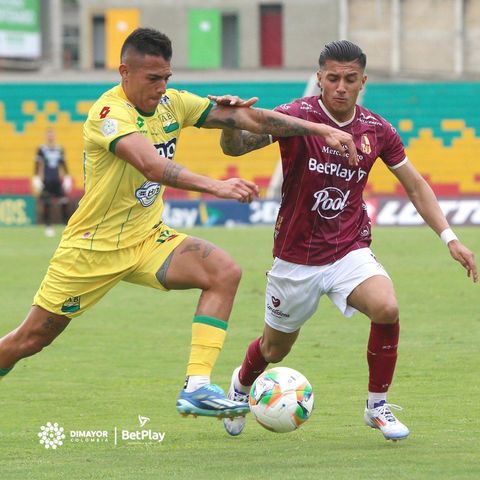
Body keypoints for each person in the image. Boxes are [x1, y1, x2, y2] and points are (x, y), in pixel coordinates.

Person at [0, 29, 358, 420]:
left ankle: (197, 387)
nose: (162, 87)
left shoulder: (173, 103)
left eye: (167, 77)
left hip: (148, 238)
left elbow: (245, 117)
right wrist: (216, 186)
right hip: (91, 249)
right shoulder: (108, 114)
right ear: (124, 71)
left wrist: (320, 129)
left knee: (223, 270)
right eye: (153, 79)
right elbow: (152, 165)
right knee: (30, 340)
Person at [217, 40, 478, 439]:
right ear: (319, 78)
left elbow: (416, 186)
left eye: (349, 79)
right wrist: (231, 122)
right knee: (274, 349)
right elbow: (237, 147)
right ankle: (240, 384)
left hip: (348, 249)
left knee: (386, 307)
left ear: (362, 82)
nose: (340, 86)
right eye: (333, 78)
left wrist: (450, 239)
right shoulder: (295, 116)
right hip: (295, 258)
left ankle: (377, 406)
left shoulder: (377, 129)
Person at [32, 128, 72, 237]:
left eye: (52, 135)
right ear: (46, 136)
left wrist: (67, 177)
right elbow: (37, 164)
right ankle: (48, 226)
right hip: (46, 181)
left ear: (54, 136)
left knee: (64, 201)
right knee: (46, 203)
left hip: (57, 180)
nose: (50, 137)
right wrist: (36, 178)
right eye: (48, 135)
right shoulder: (41, 149)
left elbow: (63, 164)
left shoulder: (59, 149)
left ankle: (65, 225)